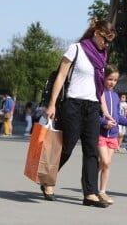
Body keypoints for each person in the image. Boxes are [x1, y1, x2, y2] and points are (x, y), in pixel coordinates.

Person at [45, 18, 116, 208]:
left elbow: (98, 87)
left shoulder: (103, 55)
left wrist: (106, 112)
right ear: (96, 32)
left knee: (91, 150)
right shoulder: (76, 49)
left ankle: (90, 193)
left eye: (109, 41)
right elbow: (60, 76)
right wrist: (52, 104)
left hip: (92, 107)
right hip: (73, 104)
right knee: (67, 147)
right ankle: (48, 179)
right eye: (105, 39)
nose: (106, 44)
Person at [98, 64, 127, 205]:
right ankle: (90, 180)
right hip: (101, 134)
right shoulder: (98, 93)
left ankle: (102, 191)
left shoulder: (116, 96)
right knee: (105, 161)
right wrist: (104, 122)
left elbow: (117, 117)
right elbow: (92, 115)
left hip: (113, 135)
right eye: (110, 79)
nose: (112, 82)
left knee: (107, 165)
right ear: (103, 78)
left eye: (115, 80)